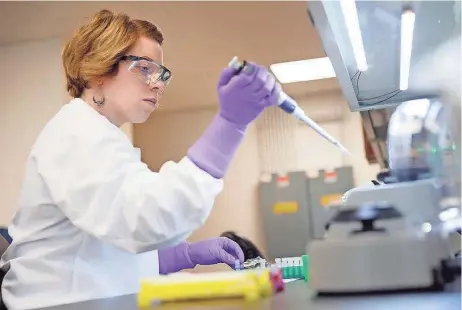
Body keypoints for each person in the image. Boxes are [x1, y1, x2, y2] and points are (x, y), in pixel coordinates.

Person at [0, 9, 281, 310]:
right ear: (98, 70)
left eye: (161, 74)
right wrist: (230, 124)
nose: (158, 84)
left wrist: (182, 255)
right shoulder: (76, 135)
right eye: (145, 68)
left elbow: (110, 239)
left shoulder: (101, 137)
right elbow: (147, 219)